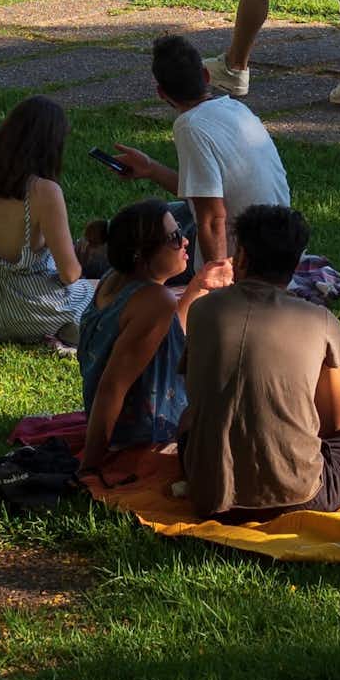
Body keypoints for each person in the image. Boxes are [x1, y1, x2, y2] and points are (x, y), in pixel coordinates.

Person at [179, 204, 340, 520]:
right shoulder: (320, 321)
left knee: (187, 419)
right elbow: (334, 426)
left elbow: (196, 396)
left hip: (208, 495)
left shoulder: (202, 311)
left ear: (241, 258)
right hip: (300, 496)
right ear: (295, 266)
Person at [102, 34, 291, 267]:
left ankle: (85, 252)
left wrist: (216, 281)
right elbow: (204, 192)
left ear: (161, 93)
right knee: (164, 217)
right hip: (281, 246)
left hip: (246, 261)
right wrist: (150, 168)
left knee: (127, 245)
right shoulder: (236, 108)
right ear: (206, 75)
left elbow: (212, 218)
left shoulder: (190, 125)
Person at [78, 199, 210, 479]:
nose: (186, 240)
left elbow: (165, 336)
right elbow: (112, 386)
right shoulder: (154, 299)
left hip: (123, 423)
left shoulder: (114, 279)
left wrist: (198, 286)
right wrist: (89, 466)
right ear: (141, 254)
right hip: (146, 434)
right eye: (174, 237)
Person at [0, 95, 99, 346]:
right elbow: (70, 274)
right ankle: (71, 329)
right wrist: (79, 259)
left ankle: (70, 330)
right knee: (112, 288)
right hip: (38, 311)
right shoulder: (44, 191)